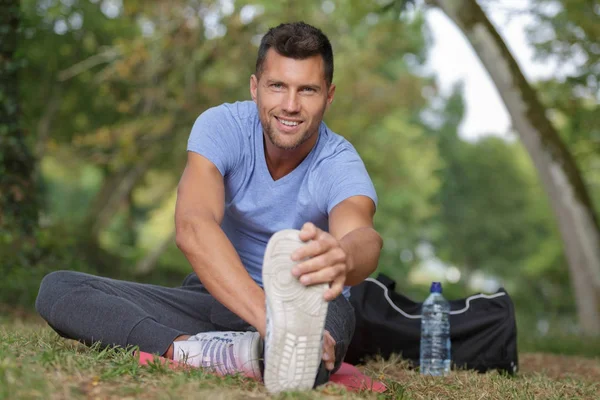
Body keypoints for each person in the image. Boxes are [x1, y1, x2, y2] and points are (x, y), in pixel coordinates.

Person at [35, 21, 382, 393]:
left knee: (306, 359)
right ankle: (195, 349)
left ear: (329, 96)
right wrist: (270, 319)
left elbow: (364, 236)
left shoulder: (339, 161)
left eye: (307, 90)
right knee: (60, 290)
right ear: (254, 87)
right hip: (220, 296)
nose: (290, 105)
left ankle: (244, 349)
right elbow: (193, 224)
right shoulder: (221, 127)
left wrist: (343, 257)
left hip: (307, 306)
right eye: (277, 86)